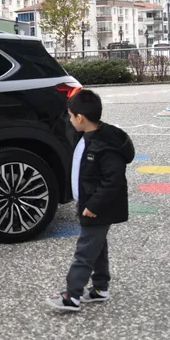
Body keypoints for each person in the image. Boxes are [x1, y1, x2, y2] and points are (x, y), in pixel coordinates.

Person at [46, 89, 134, 312]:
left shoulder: (105, 146)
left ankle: (72, 296)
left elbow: (113, 180)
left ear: (80, 118)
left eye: (70, 116)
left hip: (97, 208)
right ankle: (100, 288)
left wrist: (94, 205)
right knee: (98, 246)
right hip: (89, 203)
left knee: (84, 251)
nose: (69, 120)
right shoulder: (85, 135)